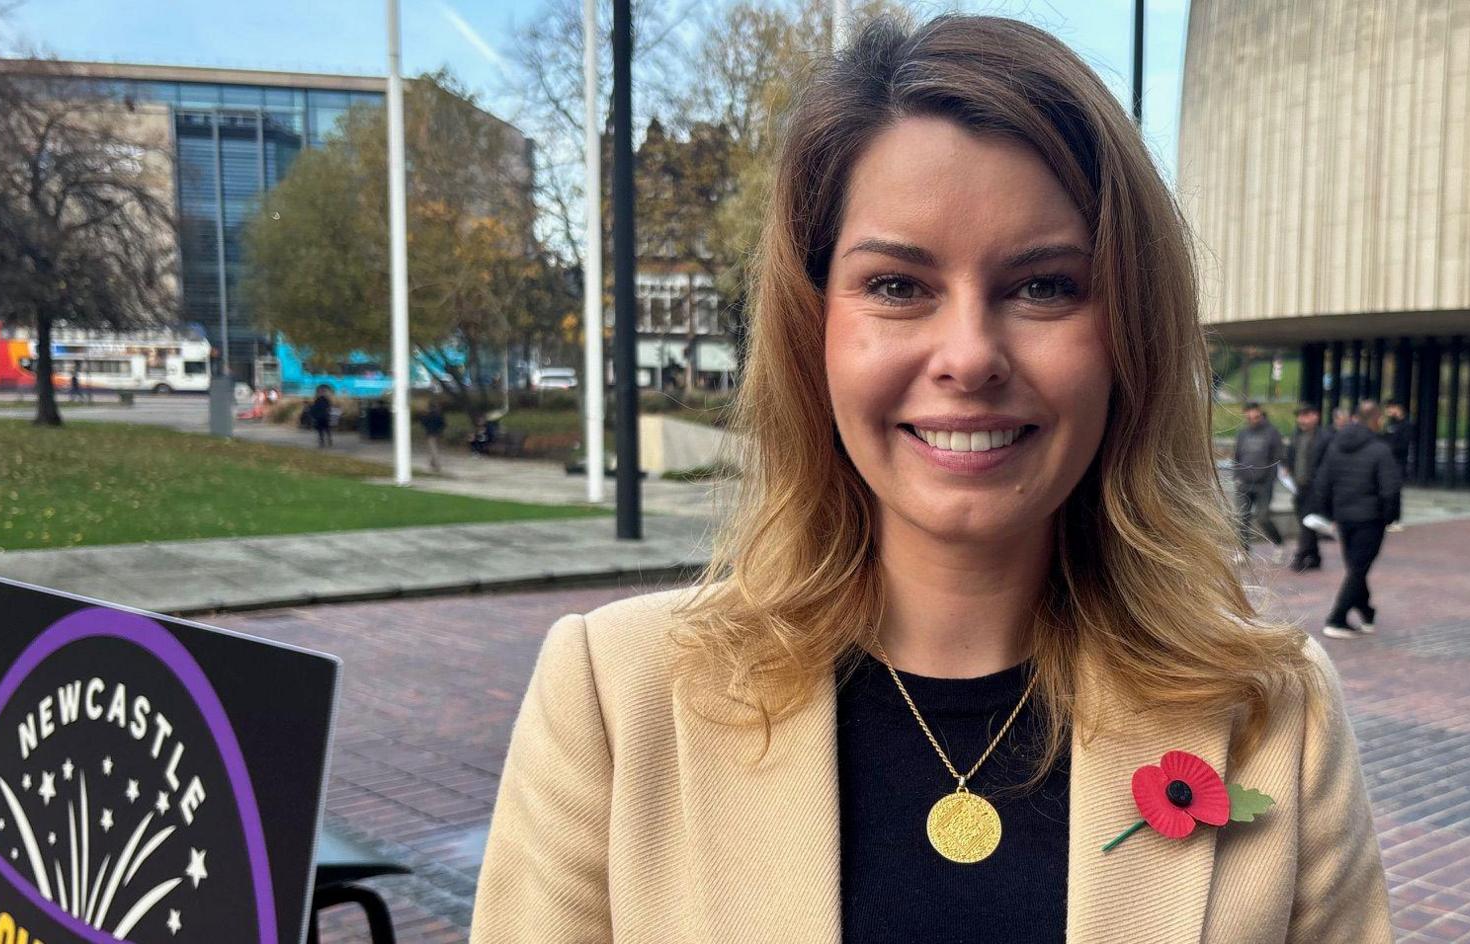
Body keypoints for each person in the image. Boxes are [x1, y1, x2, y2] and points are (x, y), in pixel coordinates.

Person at [470, 16, 1390, 943]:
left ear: (1129, 337)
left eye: (1044, 286)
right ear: (812, 327)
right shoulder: (614, 697)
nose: (970, 356)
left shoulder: (1272, 714)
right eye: (898, 286)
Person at [1314, 401, 1403, 639]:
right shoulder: (1380, 449)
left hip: (1344, 518)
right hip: (1370, 519)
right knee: (1358, 569)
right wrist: (1389, 518)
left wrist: (1330, 513)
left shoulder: (1335, 445)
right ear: (1376, 419)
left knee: (1356, 567)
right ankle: (1336, 619)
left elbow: (1322, 482)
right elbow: (1391, 489)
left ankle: (1366, 611)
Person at [1285, 402, 1333, 572]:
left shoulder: (1325, 437)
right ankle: (1314, 556)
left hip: (1315, 487)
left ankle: (1300, 556)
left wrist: (1323, 485)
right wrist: (1287, 467)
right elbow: (1291, 455)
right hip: (1299, 486)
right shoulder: (1297, 436)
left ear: (1315, 416)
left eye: (1305, 416)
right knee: (1305, 521)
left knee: (1307, 521)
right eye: (1299, 416)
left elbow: (1328, 464)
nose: (1301, 420)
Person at [1232, 401, 1285, 556]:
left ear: (1260, 413)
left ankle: (1278, 543)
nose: (1251, 417)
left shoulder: (1272, 432)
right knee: (1242, 517)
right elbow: (1237, 457)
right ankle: (1243, 551)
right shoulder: (1243, 433)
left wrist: (1270, 479)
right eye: (1248, 414)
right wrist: (1237, 476)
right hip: (1244, 482)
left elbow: (1277, 458)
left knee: (1263, 517)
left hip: (1264, 484)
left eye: (1254, 413)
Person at [1381, 400, 1412, 474]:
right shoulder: (1391, 423)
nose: (1387, 411)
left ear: (1397, 408)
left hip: (1399, 462)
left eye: (1389, 408)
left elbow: (1404, 444)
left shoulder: (1406, 424)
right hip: (1389, 460)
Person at [421, 400, 448, 473]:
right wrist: (441, 430)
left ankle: (437, 465)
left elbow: (423, 423)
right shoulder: (439, 414)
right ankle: (432, 463)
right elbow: (444, 424)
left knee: (433, 449)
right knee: (436, 449)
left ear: (429, 407)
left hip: (430, 434)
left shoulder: (427, 415)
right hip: (439, 434)